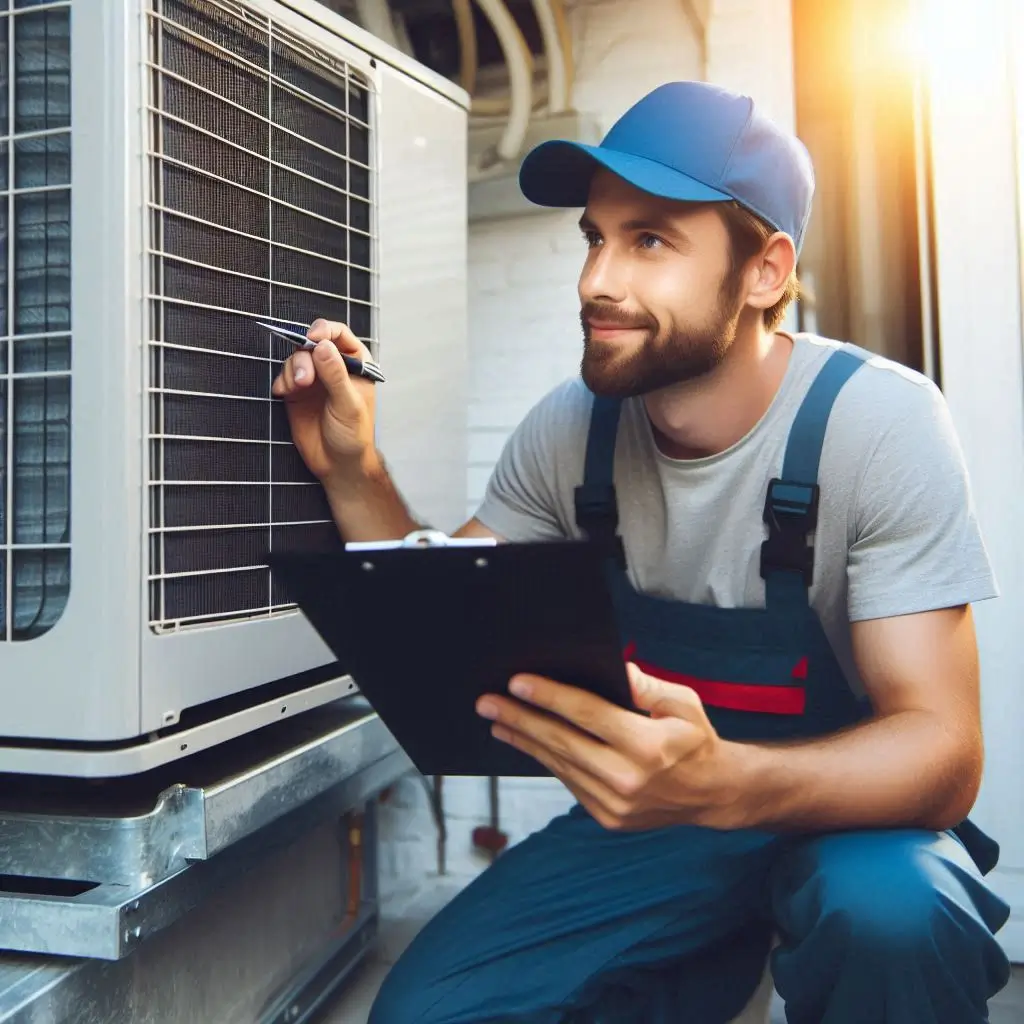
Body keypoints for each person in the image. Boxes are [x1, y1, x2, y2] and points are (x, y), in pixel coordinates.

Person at [272, 81, 1011, 1023]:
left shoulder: (876, 425)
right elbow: (437, 622)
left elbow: (944, 753)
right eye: (595, 237)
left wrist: (731, 783)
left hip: (847, 819)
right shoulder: (569, 433)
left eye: (650, 241)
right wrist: (352, 464)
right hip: (661, 829)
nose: (596, 281)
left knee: (899, 919)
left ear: (763, 273)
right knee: (424, 1012)